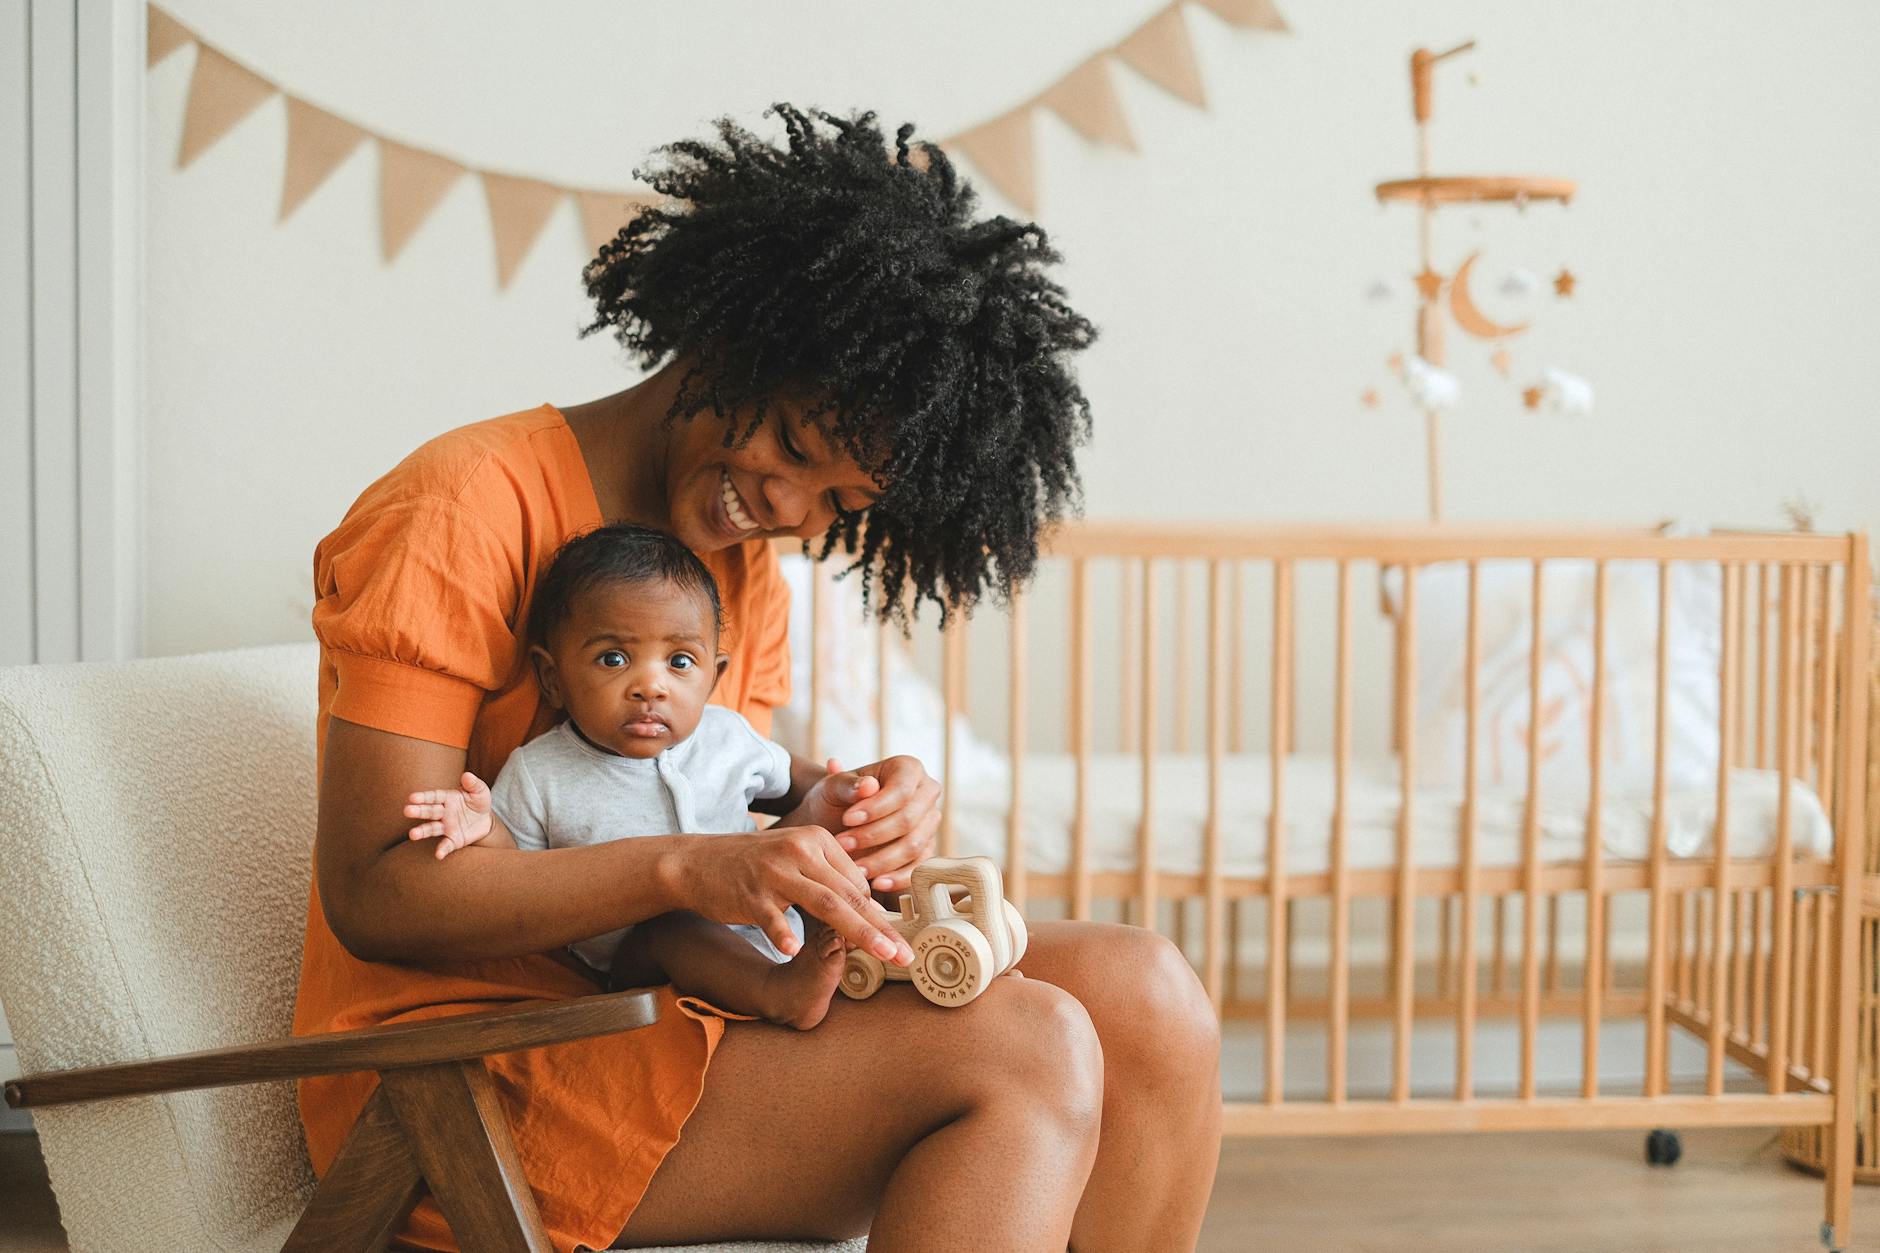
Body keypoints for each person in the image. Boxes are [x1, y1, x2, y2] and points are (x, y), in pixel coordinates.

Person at [299, 104, 1221, 1252]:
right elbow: (376, 891)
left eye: (836, 501)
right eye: (788, 445)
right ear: (726, 337)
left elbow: (716, 804)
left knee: (1148, 992)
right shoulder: (463, 507)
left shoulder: (740, 574)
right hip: (469, 1065)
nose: (785, 507)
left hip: (692, 999)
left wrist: (835, 822)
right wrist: (697, 862)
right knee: (1028, 1046)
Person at [403, 523, 907, 1031]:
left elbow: (800, 783)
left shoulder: (727, 735)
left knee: (821, 852)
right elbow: (513, 875)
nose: (650, 685)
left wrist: (844, 790)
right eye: (613, 658)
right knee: (673, 928)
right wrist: (483, 829)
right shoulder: (540, 771)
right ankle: (779, 992)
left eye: (680, 661)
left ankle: (874, 944)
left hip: (766, 921)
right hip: (637, 958)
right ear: (553, 678)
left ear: (714, 677)